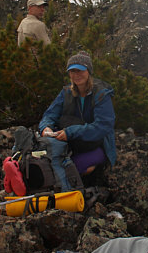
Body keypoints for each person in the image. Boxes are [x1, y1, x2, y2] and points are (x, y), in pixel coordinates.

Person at [38, 52, 116, 187]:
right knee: (51, 163)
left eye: (80, 70)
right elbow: (50, 114)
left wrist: (70, 132)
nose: (76, 74)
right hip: (71, 143)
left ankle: (79, 189)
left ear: (89, 71)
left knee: (79, 167)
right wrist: (46, 127)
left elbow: (103, 126)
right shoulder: (67, 92)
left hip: (96, 144)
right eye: (72, 71)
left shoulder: (101, 94)